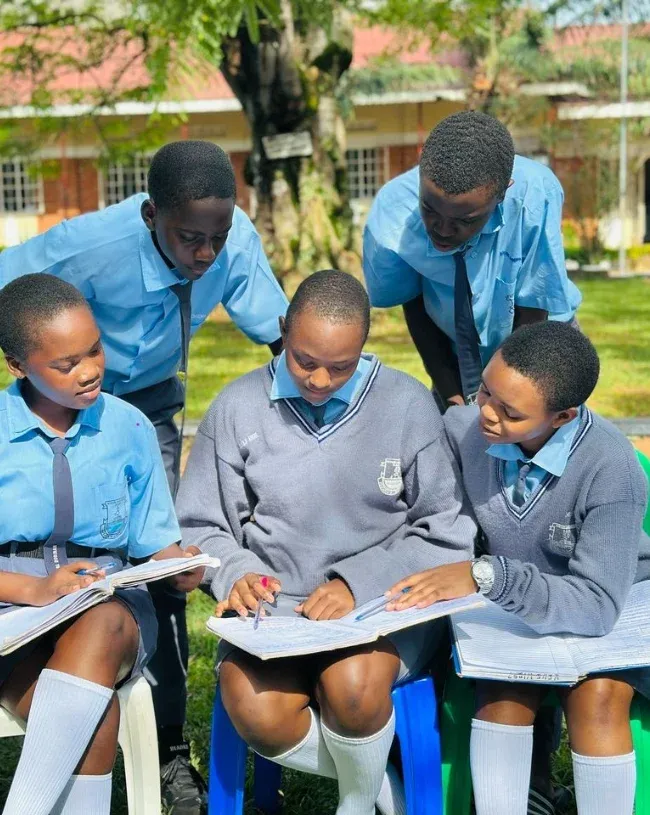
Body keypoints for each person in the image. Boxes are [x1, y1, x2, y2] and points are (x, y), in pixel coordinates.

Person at [0, 140, 289, 812]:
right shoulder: (86, 247)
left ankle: (167, 750)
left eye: (217, 237)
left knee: (155, 578)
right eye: (190, 238)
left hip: (143, 410)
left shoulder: (229, 237)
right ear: (151, 215)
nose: (206, 254)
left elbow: (281, 337)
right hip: (51, 404)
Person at [176, 270, 475, 815]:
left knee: (353, 688)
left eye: (340, 366)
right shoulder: (237, 407)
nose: (318, 379)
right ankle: (380, 788)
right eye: (303, 360)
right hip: (274, 615)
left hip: (383, 608)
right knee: (257, 710)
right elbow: (199, 524)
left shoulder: (407, 405)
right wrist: (236, 572)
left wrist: (355, 583)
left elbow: (446, 531)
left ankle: (355, 803)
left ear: (364, 346)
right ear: (283, 330)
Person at [384, 321, 650, 815]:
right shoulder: (465, 430)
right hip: (511, 608)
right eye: (486, 390)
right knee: (500, 692)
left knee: (597, 699)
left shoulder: (612, 467)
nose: (486, 412)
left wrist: (487, 576)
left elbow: (596, 605)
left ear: (563, 416)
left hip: (608, 607)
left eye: (510, 412)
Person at [0, 274, 204, 815]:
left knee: (104, 621)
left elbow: (154, 540)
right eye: (66, 364)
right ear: (18, 366)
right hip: (9, 614)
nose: (90, 370)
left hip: (108, 605)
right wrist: (35, 589)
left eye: (94, 350)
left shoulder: (128, 427)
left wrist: (176, 565)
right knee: (93, 716)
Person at [363, 110, 582, 411]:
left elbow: (534, 309)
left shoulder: (535, 195)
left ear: (502, 194)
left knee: (534, 428)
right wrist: (452, 396)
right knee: (456, 429)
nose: (442, 229)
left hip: (539, 342)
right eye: (429, 209)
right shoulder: (392, 216)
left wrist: (496, 400)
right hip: (451, 352)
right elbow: (413, 305)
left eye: (465, 220)